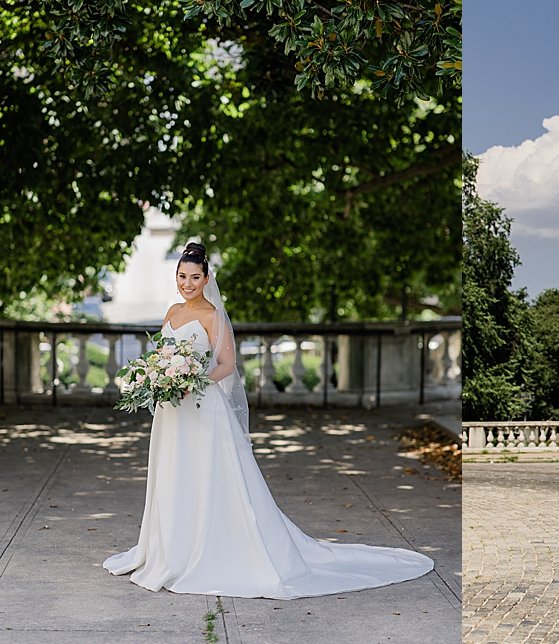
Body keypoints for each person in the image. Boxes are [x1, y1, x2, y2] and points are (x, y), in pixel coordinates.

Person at [104, 242, 434, 599]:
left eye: (195, 277)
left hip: (201, 407)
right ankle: (168, 549)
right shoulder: (171, 311)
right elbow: (164, 354)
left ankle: (206, 551)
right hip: (171, 413)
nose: (187, 283)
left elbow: (227, 365)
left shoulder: (213, 317)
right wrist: (161, 378)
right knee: (173, 473)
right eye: (182, 276)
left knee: (206, 476)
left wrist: (191, 383)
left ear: (206, 278)